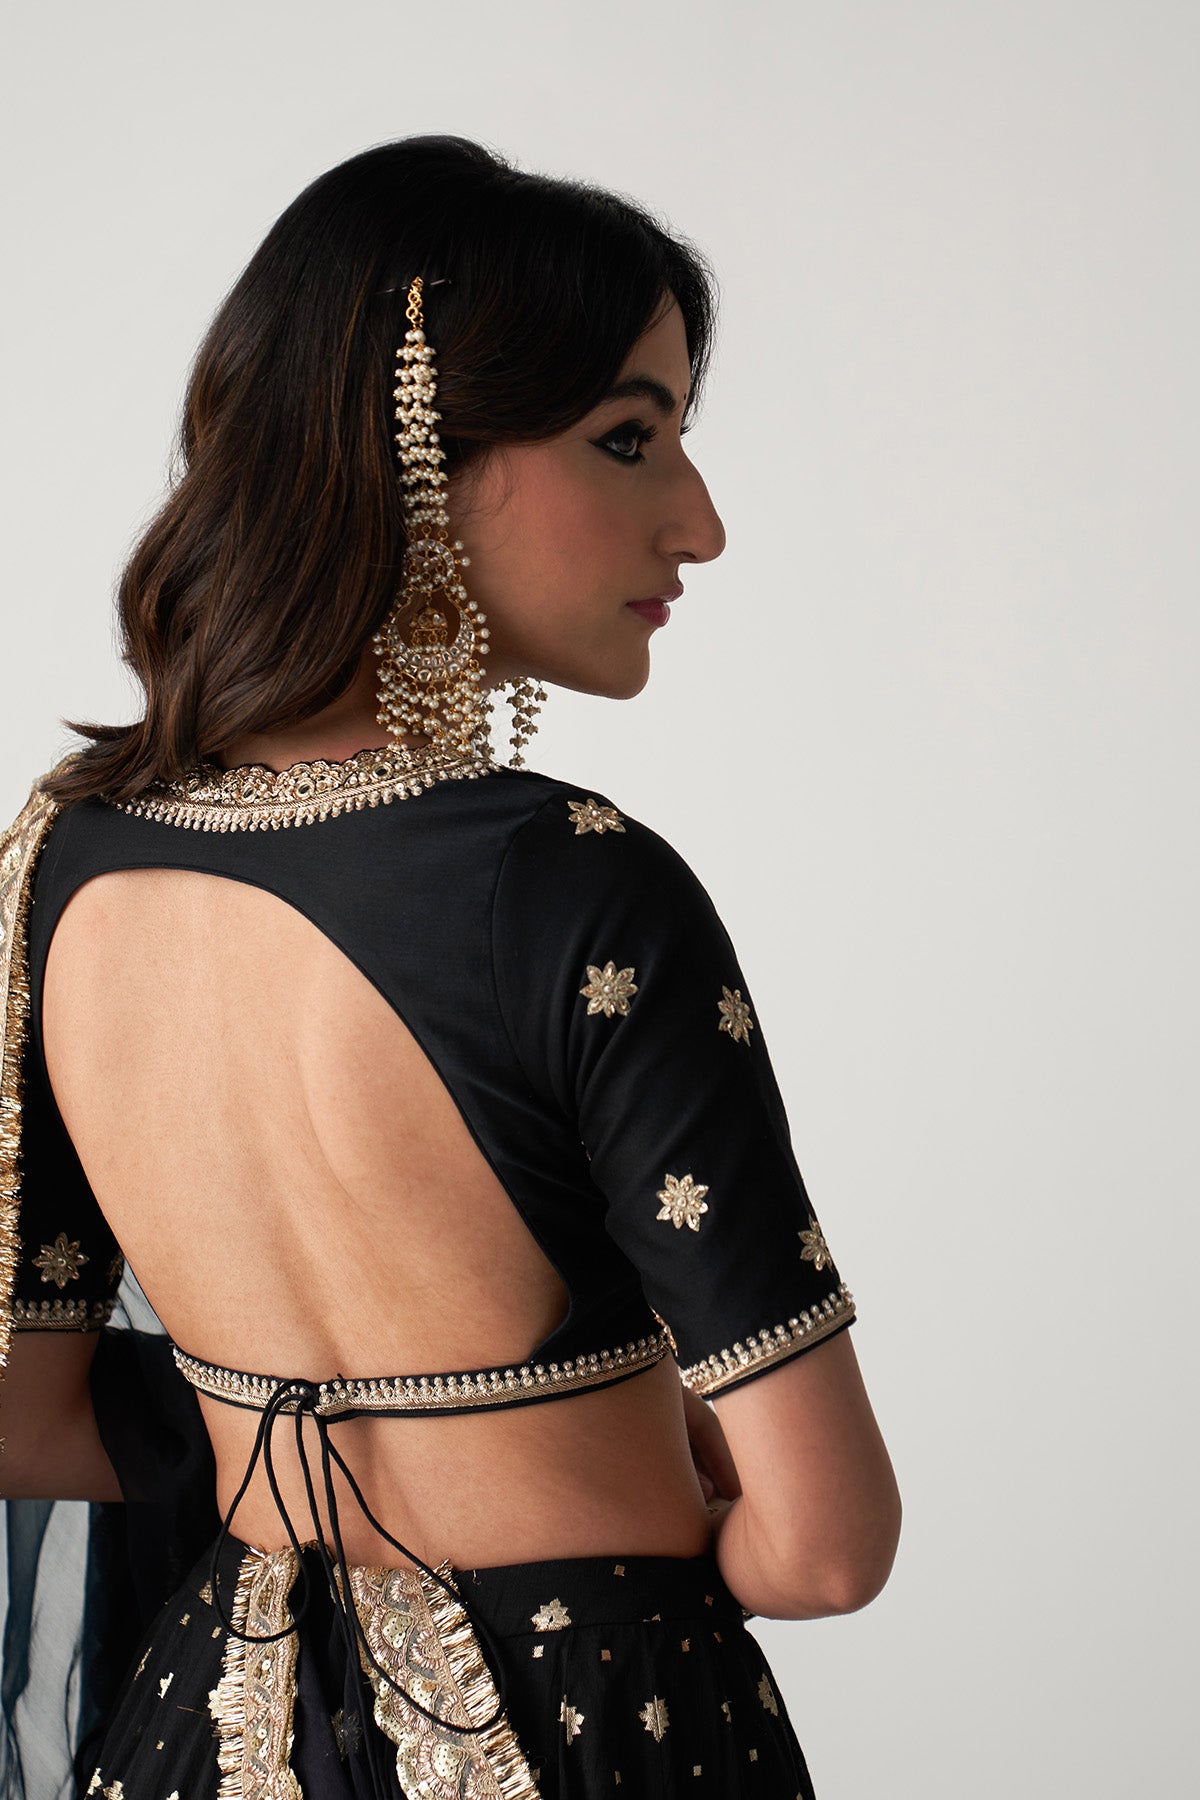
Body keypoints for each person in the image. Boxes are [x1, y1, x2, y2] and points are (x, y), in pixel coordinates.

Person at [0, 135, 900, 1799]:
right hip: (595, 1724)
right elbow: (828, 1546)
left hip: (208, 1729)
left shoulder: (68, 856)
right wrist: (599, 1498)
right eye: (629, 438)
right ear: (416, 455)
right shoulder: (571, 884)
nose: (699, 524)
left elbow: (26, 1420)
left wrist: (286, 1429)